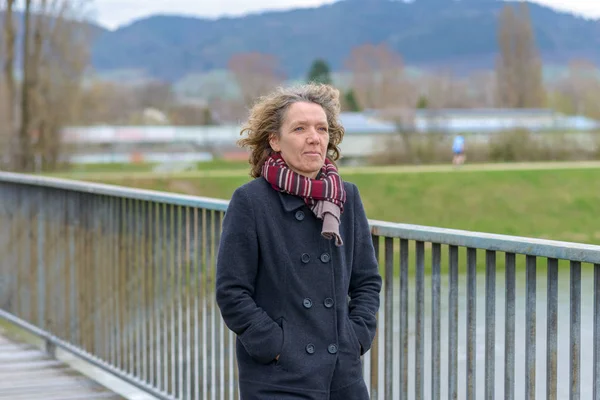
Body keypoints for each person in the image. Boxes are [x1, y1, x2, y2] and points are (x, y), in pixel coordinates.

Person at [215, 83, 382, 400]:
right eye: (300, 128)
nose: (314, 137)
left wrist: (356, 337)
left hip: (341, 374)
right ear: (275, 140)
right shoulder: (250, 202)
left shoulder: (346, 197)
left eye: (322, 128)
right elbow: (232, 291)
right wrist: (274, 346)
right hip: (279, 378)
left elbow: (367, 281)